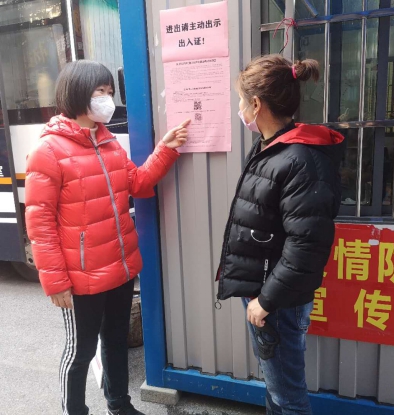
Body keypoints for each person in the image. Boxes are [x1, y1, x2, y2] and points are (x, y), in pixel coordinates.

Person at [25, 60, 189, 415]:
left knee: (115, 342)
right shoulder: (48, 150)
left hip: (119, 268)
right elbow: (40, 224)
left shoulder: (109, 143)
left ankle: (119, 405)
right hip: (80, 278)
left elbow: (138, 184)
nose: (107, 99)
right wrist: (55, 282)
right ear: (77, 93)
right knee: (80, 351)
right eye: (99, 91)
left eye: (110, 92)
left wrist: (166, 148)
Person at [216, 55, 344, 415]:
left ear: (257, 105)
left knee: (288, 397)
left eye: (242, 101)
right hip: (266, 294)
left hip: (277, 302)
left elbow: (307, 245)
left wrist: (266, 301)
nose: (240, 109)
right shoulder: (272, 147)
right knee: (276, 389)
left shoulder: (300, 159)